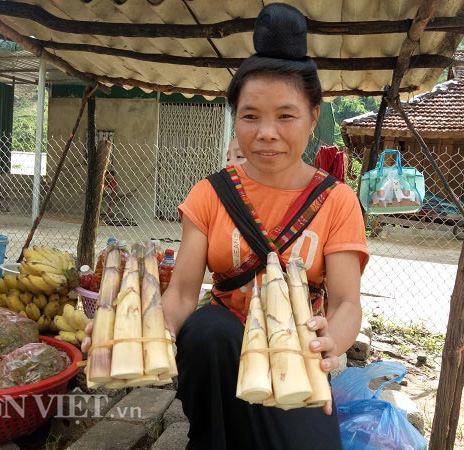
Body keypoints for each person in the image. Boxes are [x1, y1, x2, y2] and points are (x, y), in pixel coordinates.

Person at [163, 4, 368, 450]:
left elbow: (347, 303)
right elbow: (180, 293)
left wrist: (329, 344)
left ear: (313, 118)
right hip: (225, 355)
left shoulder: (337, 200)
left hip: (298, 355)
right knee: (207, 332)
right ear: (235, 119)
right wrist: (148, 332)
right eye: (250, 116)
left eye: (286, 116)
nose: (266, 132)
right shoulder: (210, 194)